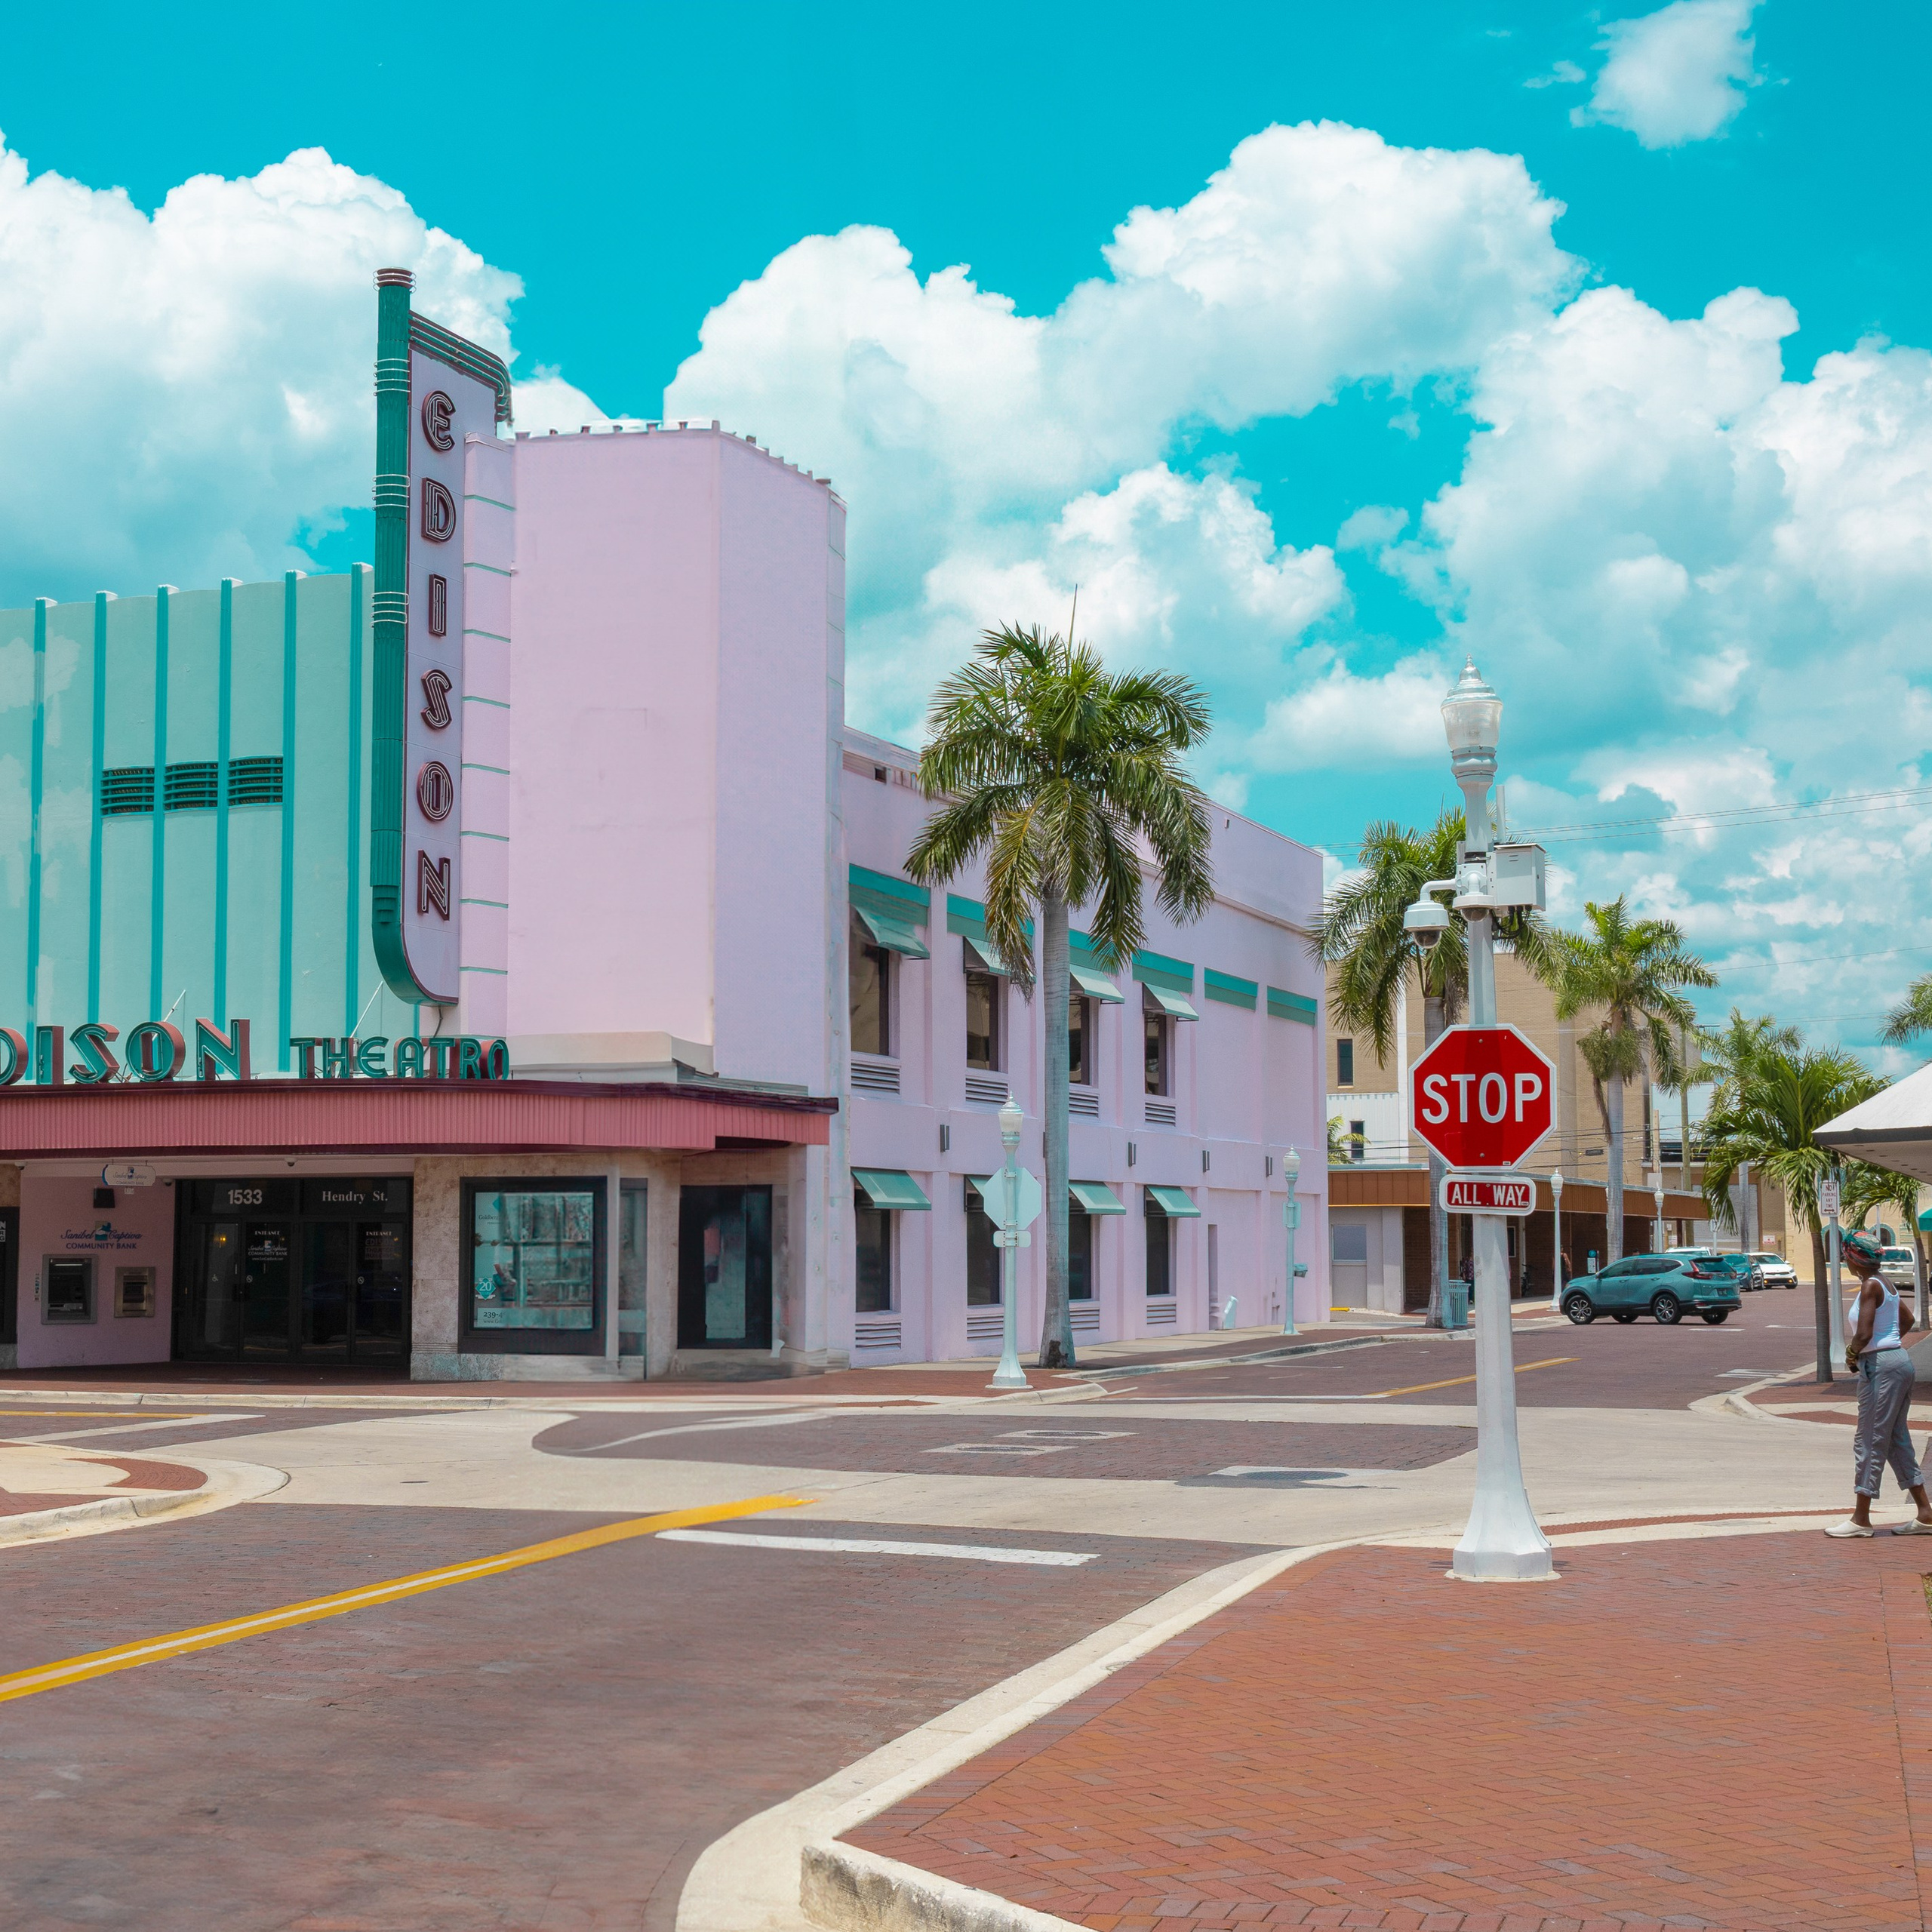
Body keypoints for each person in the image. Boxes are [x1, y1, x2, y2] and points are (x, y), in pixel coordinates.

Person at [1827, 1229, 1932, 1537]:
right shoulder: (1884, 1283)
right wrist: (1889, 1345)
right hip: (1897, 1361)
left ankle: (1861, 1520)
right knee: (1896, 1439)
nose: (1845, 1261)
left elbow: (1863, 1333)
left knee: (1870, 1439)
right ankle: (1925, 1513)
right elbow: (1908, 1320)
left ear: (1853, 1258)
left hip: (1881, 1368)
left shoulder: (1870, 1286)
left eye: (1846, 1256)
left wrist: (1852, 1355)